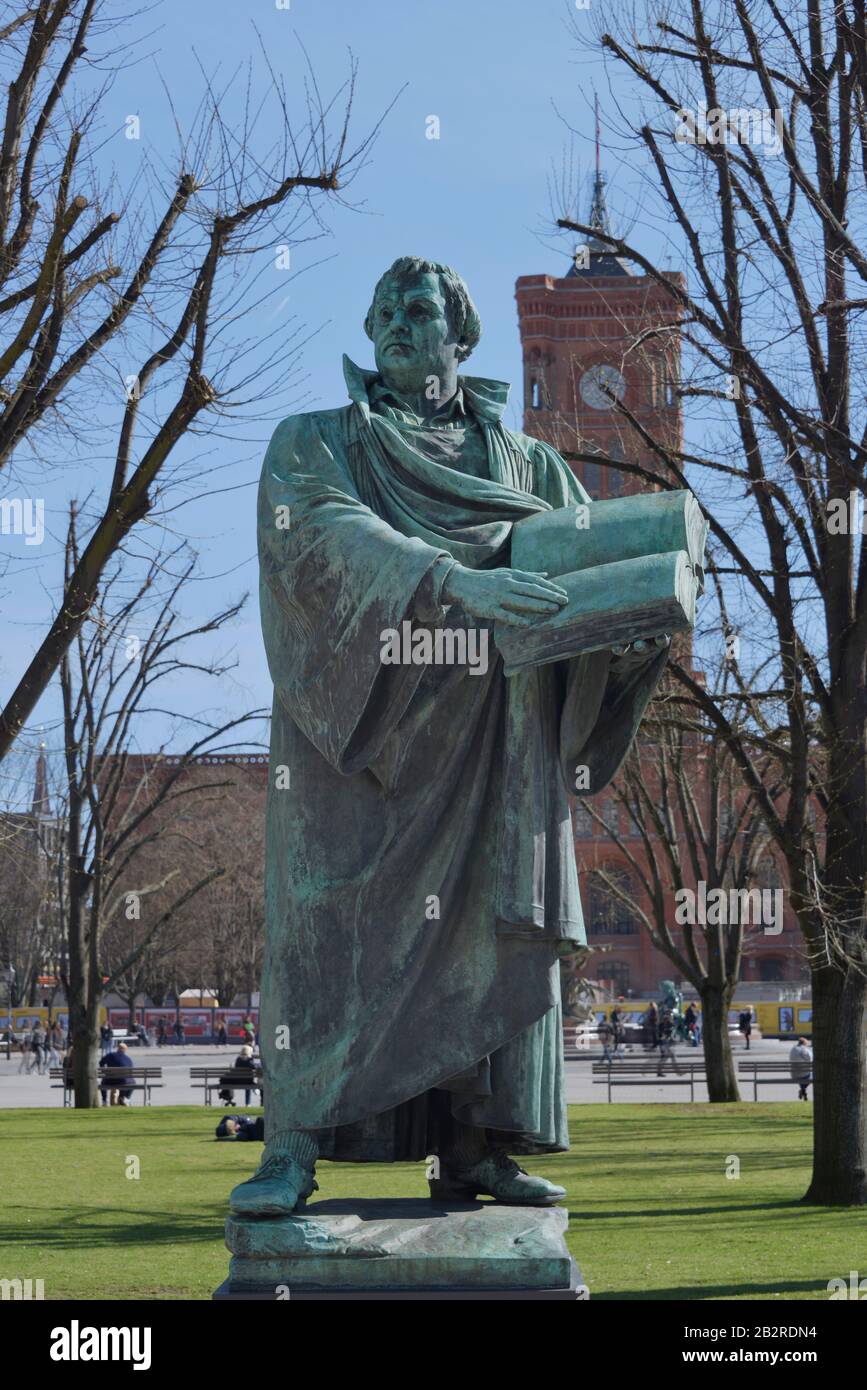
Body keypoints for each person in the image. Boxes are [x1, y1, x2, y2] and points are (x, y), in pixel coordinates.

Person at [232, 255, 672, 1218]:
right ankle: (293, 1143)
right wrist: (452, 583)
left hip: (497, 748)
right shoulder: (316, 442)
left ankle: (482, 1145)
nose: (395, 319)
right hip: (357, 748)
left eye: (417, 307)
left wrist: (634, 635)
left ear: (456, 336)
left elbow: (586, 588)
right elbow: (314, 534)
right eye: (381, 306)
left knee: (493, 927)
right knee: (325, 926)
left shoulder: (534, 468)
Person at [99, 1041, 135, 1106]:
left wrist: (104, 1071)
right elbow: (130, 1072)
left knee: (103, 1082)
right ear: (125, 1050)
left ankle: (104, 1100)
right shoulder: (129, 1059)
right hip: (124, 1082)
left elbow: (101, 1062)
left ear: (118, 1049)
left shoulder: (110, 1055)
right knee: (131, 1082)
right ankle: (125, 1098)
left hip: (111, 1081)